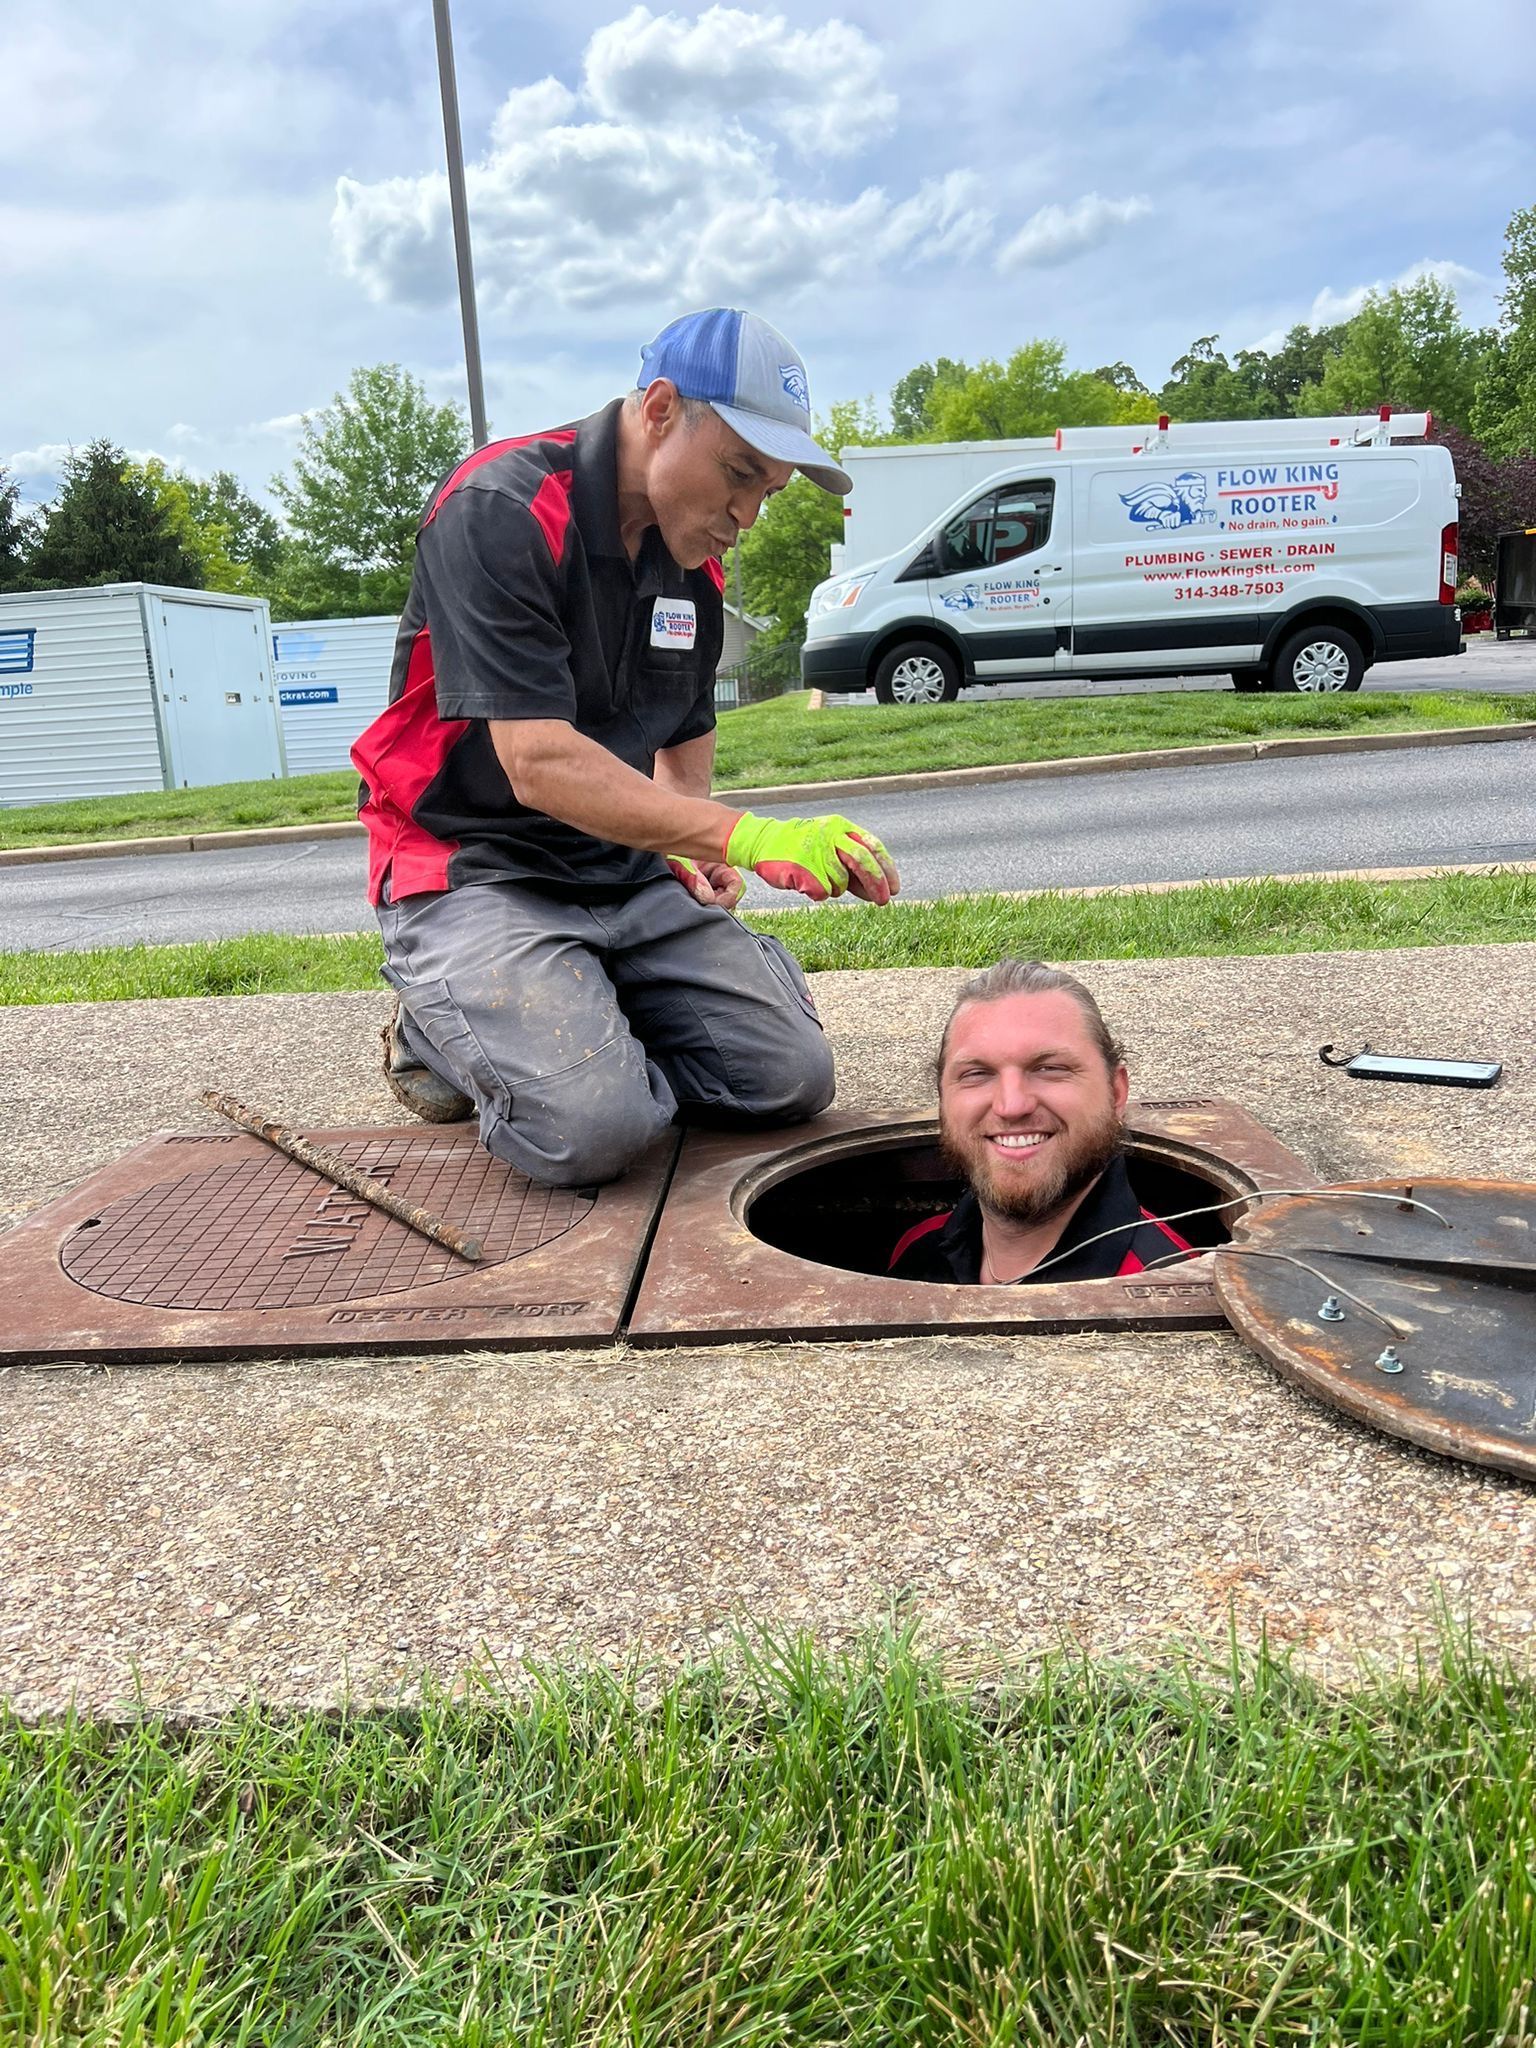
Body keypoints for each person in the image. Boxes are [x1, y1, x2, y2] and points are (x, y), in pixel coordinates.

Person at [352, 307, 898, 1189]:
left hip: (621, 871)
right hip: (474, 867)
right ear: (658, 410)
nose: (748, 515)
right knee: (595, 1132)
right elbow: (537, 762)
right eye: (739, 473)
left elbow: (684, 729)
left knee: (790, 1080)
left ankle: (569, 1007)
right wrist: (743, 839)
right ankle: (441, 1024)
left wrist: (688, 849)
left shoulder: (693, 559)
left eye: (772, 491)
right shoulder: (500, 509)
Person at [889, 959, 1192, 1285]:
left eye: (1050, 1068)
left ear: (1115, 1093)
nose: (1011, 1105)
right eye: (977, 1074)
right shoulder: (917, 1253)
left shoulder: (1168, 1285)